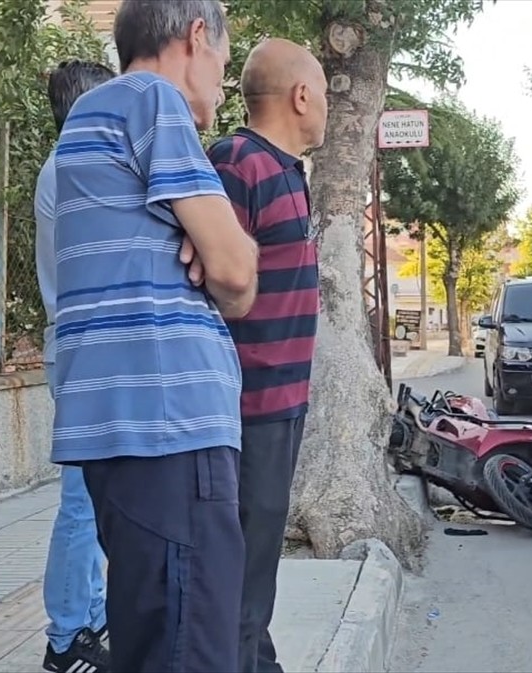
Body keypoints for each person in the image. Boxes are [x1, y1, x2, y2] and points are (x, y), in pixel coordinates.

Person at [50, 0, 260, 670]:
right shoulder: (151, 99)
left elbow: (220, 264)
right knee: (191, 649)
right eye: (224, 62)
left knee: (152, 644)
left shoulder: (92, 116)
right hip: (170, 431)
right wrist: (222, 244)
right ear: (196, 36)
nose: (224, 85)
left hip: (126, 432)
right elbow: (236, 276)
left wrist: (211, 242)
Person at [206, 38, 327, 673]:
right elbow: (212, 281)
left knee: (258, 559)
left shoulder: (286, 170)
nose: (327, 106)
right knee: (243, 565)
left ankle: (258, 659)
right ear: (302, 96)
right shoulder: (239, 162)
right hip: (246, 405)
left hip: (282, 402)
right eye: (325, 93)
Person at [34, 59, 115, 673]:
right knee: (83, 500)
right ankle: (65, 638)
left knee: (94, 495)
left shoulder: (67, 166)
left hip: (82, 349)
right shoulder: (70, 169)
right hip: (82, 351)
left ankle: (89, 614)